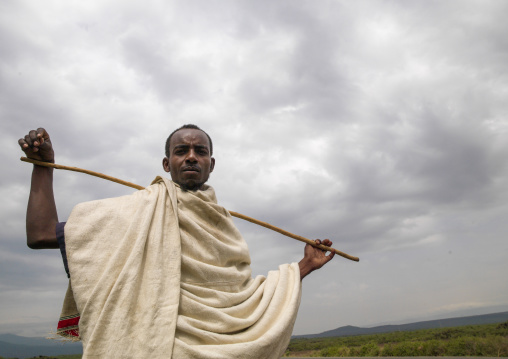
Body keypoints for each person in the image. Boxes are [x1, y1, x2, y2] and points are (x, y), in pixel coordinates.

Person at [19, 126, 335, 359]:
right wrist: (42, 167)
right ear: (167, 164)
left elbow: (242, 300)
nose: (191, 157)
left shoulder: (225, 228)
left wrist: (306, 265)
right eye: (181, 151)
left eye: (200, 151)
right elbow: (41, 234)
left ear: (212, 163)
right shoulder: (133, 213)